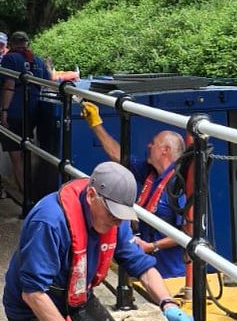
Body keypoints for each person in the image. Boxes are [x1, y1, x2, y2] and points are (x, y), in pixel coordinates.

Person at [1, 161, 195, 321]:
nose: (116, 221)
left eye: (121, 215)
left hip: (78, 297)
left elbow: (141, 266)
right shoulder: (50, 221)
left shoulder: (114, 220)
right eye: (113, 213)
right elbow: (33, 294)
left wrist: (168, 304)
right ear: (92, 195)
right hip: (34, 309)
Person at [80, 103, 187, 279]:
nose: (148, 145)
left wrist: (152, 246)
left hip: (172, 275)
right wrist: (95, 124)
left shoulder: (180, 185)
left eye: (153, 143)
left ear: (165, 150)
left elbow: (188, 235)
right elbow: (119, 157)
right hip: (145, 267)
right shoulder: (150, 172)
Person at [0, 30, 49, 195]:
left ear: (11, 44)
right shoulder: (38, 61)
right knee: (27, 149)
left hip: (15, 111)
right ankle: (32, 190)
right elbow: (48, 83)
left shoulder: (10, 58)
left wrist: (4, 110)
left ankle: (26, 194)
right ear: (27, 44)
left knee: (16, 153)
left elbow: (9, 85)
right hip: (34, 111)